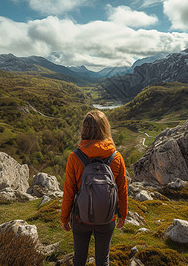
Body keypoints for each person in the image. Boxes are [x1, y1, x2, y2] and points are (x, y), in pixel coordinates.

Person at [61, 110, 128, 266]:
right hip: (107, 218)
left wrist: (64, 218)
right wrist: (122, 214)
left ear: (84, 129)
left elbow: (69, 192)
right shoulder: (116, 157)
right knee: (103, 259)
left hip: (80, 218)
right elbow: (122, 189)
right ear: (105, 128)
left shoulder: (75, 157)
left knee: (79, 259)